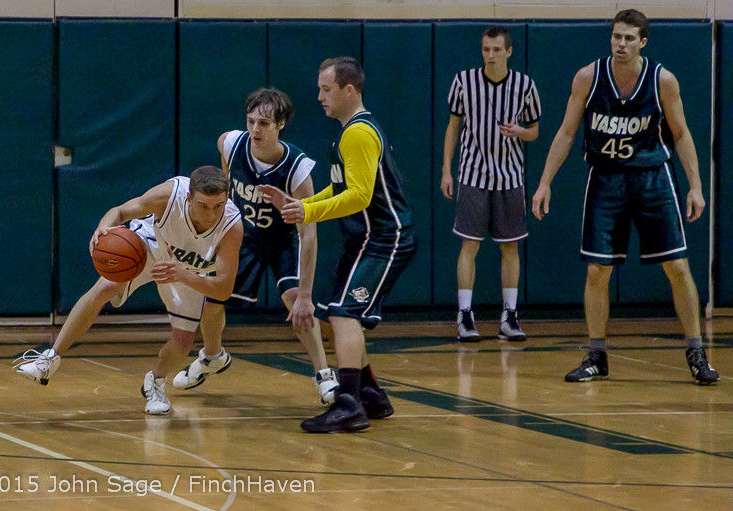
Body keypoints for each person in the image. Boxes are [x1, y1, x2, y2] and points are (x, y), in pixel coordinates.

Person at [531, 9, 720, 385]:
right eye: (616, 36)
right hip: (606, 178)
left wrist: (695, 185)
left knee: (678, 267)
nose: (621, 44)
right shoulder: (588, 76)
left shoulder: (662, 80)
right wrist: (544, 182)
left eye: (629, 38)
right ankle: (596, 355)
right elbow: (567, 132)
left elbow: (681, 134)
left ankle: (697, 353)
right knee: (597, 270)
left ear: (643, 42)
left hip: (652, 177)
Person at [261, 56, 416, 433]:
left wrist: (309, 215)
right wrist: (302, 205)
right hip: (364, 238)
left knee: (344, 315)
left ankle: (349, 405)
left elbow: (360, 197)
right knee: (339, 311)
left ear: (349, 90)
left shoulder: (358, 133)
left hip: (384, 237)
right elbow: (341, 189)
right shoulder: (348, 131)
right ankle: (370, 395)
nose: (319, 96)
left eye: (325, 89)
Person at [14, 165, 245, 413]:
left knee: (183, 342)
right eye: (204, 206)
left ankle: (154, 382)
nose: (211, 214)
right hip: (150, 244)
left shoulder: (231, 227)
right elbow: (120, 211)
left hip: (187, 271)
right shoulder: (167, 196)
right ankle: (49, 359)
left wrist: (182, 275)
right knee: (107, 286)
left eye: (218, 206)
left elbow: (222, 290)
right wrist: (103, 227)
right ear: (189, 197)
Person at [178, 87, 339, 404]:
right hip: (241, 236)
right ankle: (212, 357)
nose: (255, 129)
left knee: (296, 304)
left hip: (282, 240)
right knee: (212, 300)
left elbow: (309, 234)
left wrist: (306, 296)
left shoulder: (297, 168)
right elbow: (222, 147)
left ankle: (324, 374)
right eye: (251, 121)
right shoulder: (233, 143)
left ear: (280, 125)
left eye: (264, 123)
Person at [441, 26, 541, 342]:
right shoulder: (464, 81)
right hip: (472, 174)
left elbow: (535, 131)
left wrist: (520, 132)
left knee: (510, 247)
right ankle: (465, 315)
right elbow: (453, 126)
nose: (491, 55)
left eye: (497, 49)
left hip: (510, 176)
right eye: (486, 49)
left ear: (509, 51)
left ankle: (509, 316)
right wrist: (447, 170)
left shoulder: (525, 85)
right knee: (469, 245)